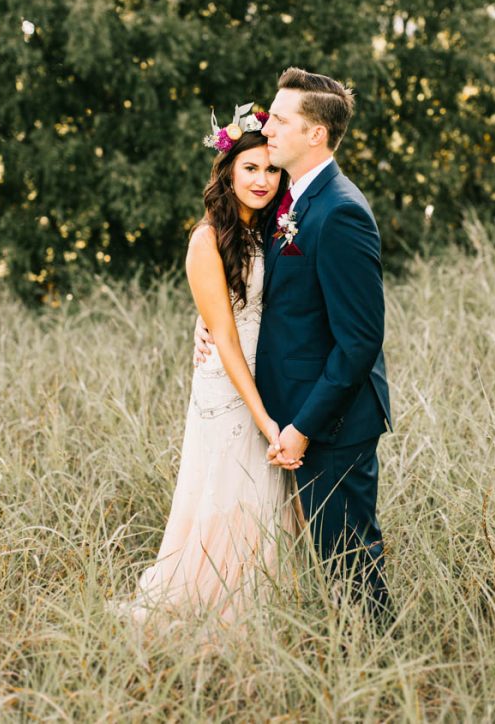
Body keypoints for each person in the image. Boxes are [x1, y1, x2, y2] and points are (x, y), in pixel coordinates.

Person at [195, 68, 393, 614]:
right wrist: (214, 330)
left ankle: (380, 665)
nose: (268, 126)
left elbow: (359, 341)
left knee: (350, 562)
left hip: (330, 421)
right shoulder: (290, 200)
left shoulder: (341, 211)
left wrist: (303, 427)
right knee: (318, 562)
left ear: (316, 135)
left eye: (281, 119)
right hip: (291, 411)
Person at [122, 105, 299, 626]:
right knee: (227, 493)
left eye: (271, 169)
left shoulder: (270, 230)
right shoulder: (207, 239)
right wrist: (266, 417)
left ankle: (269, 604)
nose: (263, 179)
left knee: (265, 502)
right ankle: (219, 608)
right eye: (251, 168)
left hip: (267, 376)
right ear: (227, 172)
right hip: (229, 386)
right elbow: (223, 333)